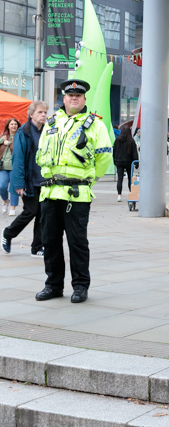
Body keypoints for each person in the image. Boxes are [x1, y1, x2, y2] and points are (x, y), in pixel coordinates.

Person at [35, 78, 112, 304]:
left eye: (78, 95)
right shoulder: (51, 123)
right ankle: (53, 285)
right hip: (49, 193)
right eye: (70, 95)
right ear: (64, 98)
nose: (74, 98)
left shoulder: (94, 124)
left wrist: (88, 180)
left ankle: (80, 286)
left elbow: (105, 157)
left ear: (84, 99)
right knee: (50, 242)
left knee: (77, 243)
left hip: (77, 194)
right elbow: (41, 152)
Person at [1, 101, 48, 257]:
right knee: (31, 211)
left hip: (45, 180)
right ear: (31, 114)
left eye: (45, 112)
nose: (43, 115)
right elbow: (18, 159)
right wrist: (19, 183)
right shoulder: (24, 132)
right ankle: (8, 233)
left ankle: (37, 248)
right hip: (29, 180)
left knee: (42, 213)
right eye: (40, 112)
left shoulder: (47, 131)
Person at [0, 118, 21, 217]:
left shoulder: (20, 136)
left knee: (13, 187)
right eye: (11, 124)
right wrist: (2, 140)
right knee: (2, 186)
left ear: (17, 126)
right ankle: (5, 201)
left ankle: (13, 207)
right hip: (3, 166)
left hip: (15, 166)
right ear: (8, 126)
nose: (13, 126)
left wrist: (7, 143)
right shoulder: (3, 136)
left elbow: (16, 147)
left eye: (15, 124)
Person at [113, 122, 138, 201]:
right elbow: (134, 153)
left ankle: (119, 195)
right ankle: (131, 194)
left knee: (120, 178)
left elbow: (114, 151)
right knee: (130, 178)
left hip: (119, 161)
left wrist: (115, 160)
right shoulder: (131, 141)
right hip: (128, 162)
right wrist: (136, 163)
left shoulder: (117, 140)